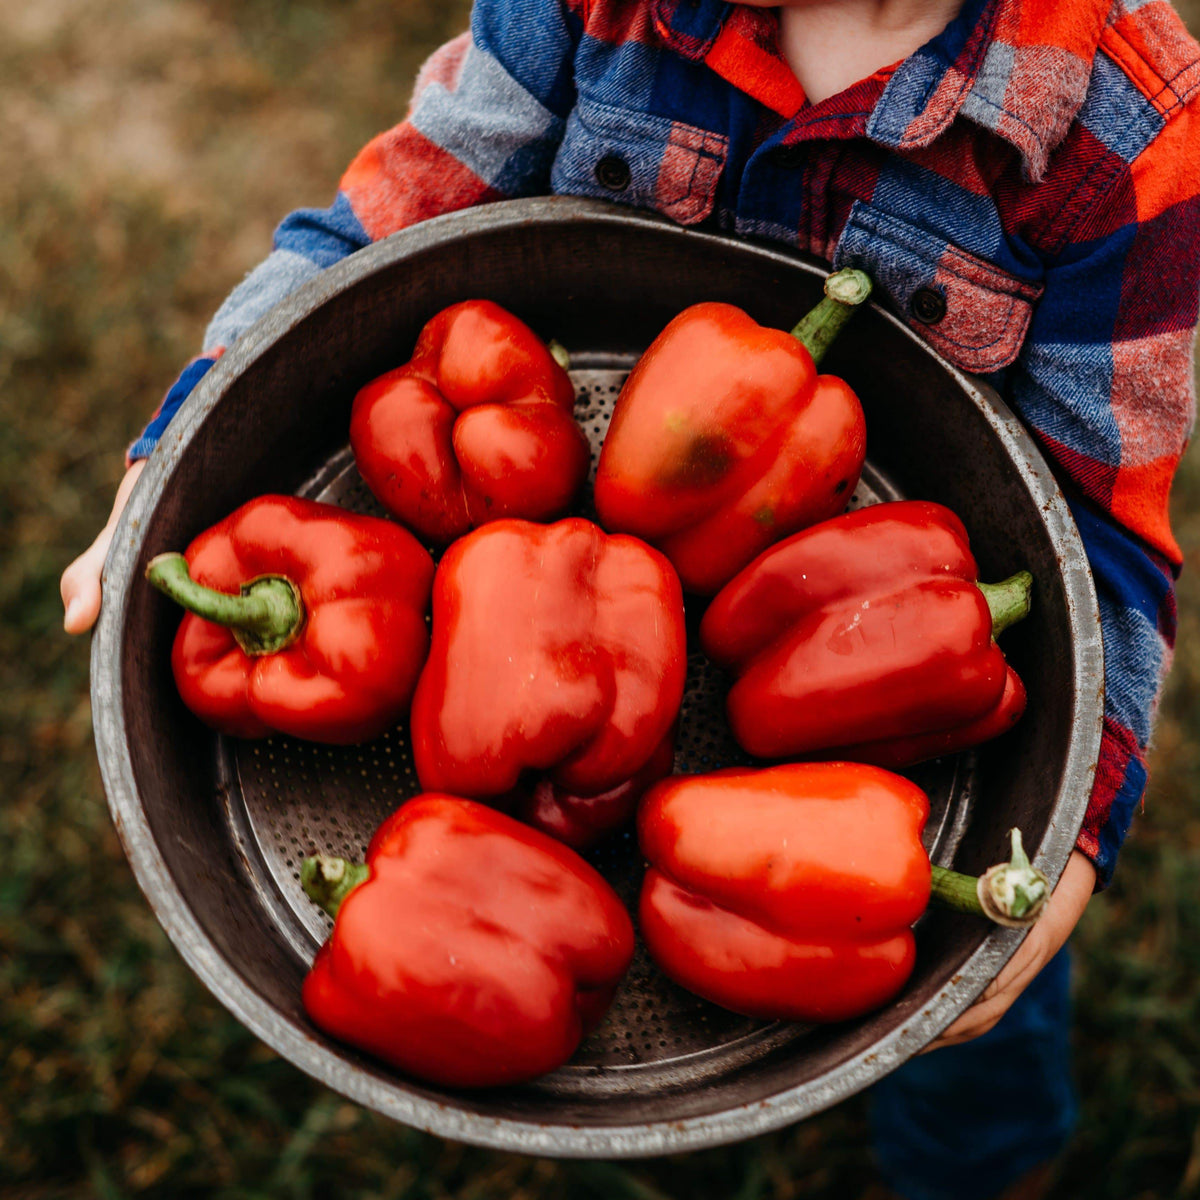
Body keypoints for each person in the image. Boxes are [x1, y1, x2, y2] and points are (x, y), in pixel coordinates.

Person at [60, 0, 1199, 1195]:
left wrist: (1074, 837)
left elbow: (1104, 538)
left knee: (978, 1035)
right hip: (595, 559)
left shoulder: (1124, 129)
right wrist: (193, 413)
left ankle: (978, 1168)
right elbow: (386, 219)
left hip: (889, 660)